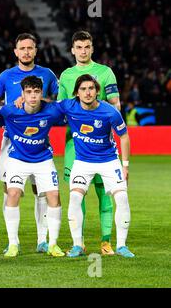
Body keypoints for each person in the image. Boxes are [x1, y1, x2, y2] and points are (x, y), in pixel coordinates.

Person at [0, 33, 59, 253]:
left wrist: (33, 100)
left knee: (42, 191)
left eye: (30, 48)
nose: (26, 52)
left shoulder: (47, 75)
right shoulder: (7, 76)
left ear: (36, 50)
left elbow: (57, 102)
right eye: (22, 48)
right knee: (10, 189)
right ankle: (12, 241)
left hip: (39, 139)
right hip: (12, 139)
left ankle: (42, 239)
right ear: (15, 51)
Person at [55, 74, 134, 258]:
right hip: (83, 162)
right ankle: (77, 246)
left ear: (97, 91)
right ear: (77, 92)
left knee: (121, 197)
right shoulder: (69, 105)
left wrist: (126, 165)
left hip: (108, 160)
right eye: (83, 89)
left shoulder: (110, 111)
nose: (87, 92)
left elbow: (124, 136)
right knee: (75, 197)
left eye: (91, 88)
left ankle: (121, 246)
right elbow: (46, 105)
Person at [58, 30, 121, 255]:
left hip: (103, 144)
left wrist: (99, 119)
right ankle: (79, 243)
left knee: (105, 194)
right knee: (77, 194)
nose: (83, 51)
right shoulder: (65, 76)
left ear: (92, 48)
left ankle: (106, 242)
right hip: (74, 145)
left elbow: (116, 105)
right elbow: (61, 108)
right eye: (79, 47)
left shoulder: (105, 72)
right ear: (72, 50)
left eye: (87, 47)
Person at [0, 76, 65, 257]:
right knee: (12, 193)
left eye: (36, 92)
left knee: (53, 195)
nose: (33, 96)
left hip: (43, 159)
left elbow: (69, 105)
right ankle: (13, 244)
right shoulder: (10, 111)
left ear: (41, 94)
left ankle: (52, 244)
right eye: (28, 92)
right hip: (17, 159)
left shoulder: (51, 111)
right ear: (22, 94)